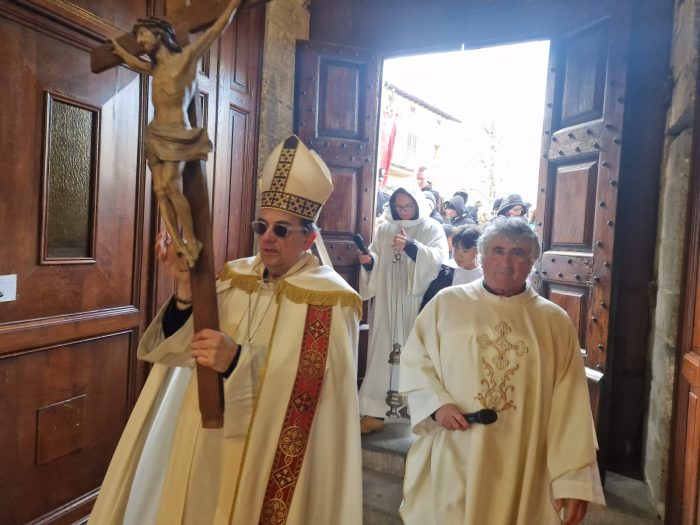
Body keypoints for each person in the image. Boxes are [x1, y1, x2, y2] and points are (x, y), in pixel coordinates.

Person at [88, 135, 363, 525]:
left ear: (309, 238)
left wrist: (237, 362)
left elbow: (320, 393)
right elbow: (178, 354)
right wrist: (185, 289)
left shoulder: (331, 300)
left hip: (271, 456)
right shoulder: (234, 276)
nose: (267, 237)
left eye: (282, 230)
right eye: (262, 226)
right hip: (209, 442)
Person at [400, 217, 605, 524]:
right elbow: (416, 360)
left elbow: (571, 404)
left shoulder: (554, 321)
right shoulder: (447, 304)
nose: (506, 262)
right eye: (497, 250)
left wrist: (573, 479)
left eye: (518, 253)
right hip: (458, 445)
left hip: (525, 458)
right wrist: (436, 404)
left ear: (532, 262)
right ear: (481, 256)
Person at [110, 2, 242, 269]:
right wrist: (122, 53)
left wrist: (234, 4)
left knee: (170, 185)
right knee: (160, 189)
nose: (141, 42)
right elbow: (137, 63)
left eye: (144, 36)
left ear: (158, 34)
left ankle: (191, 239)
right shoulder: (156, 69)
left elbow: (216, 30)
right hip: (155, 133)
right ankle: (180, 244)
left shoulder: (186, 58)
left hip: (176, 133)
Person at [357, 185, 448, 433]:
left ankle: (418, 412)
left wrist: (410, 246)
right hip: (387, 301)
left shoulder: (430, 227)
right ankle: (375, 413)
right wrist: (369, 262)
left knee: (415, 354)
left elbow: (438, 259)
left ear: (417, 204)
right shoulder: (385, 228)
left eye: (408, 206)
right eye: (398, 206)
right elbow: (376, 257)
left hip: (414, 302)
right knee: (380, 354)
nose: (403, 211)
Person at [419, 225, 482, 311]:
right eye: (456, 249)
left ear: (478, 250)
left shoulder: (485, 274)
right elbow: (430, 302)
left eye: (465, 251)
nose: (458, 256)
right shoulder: (446, 270)